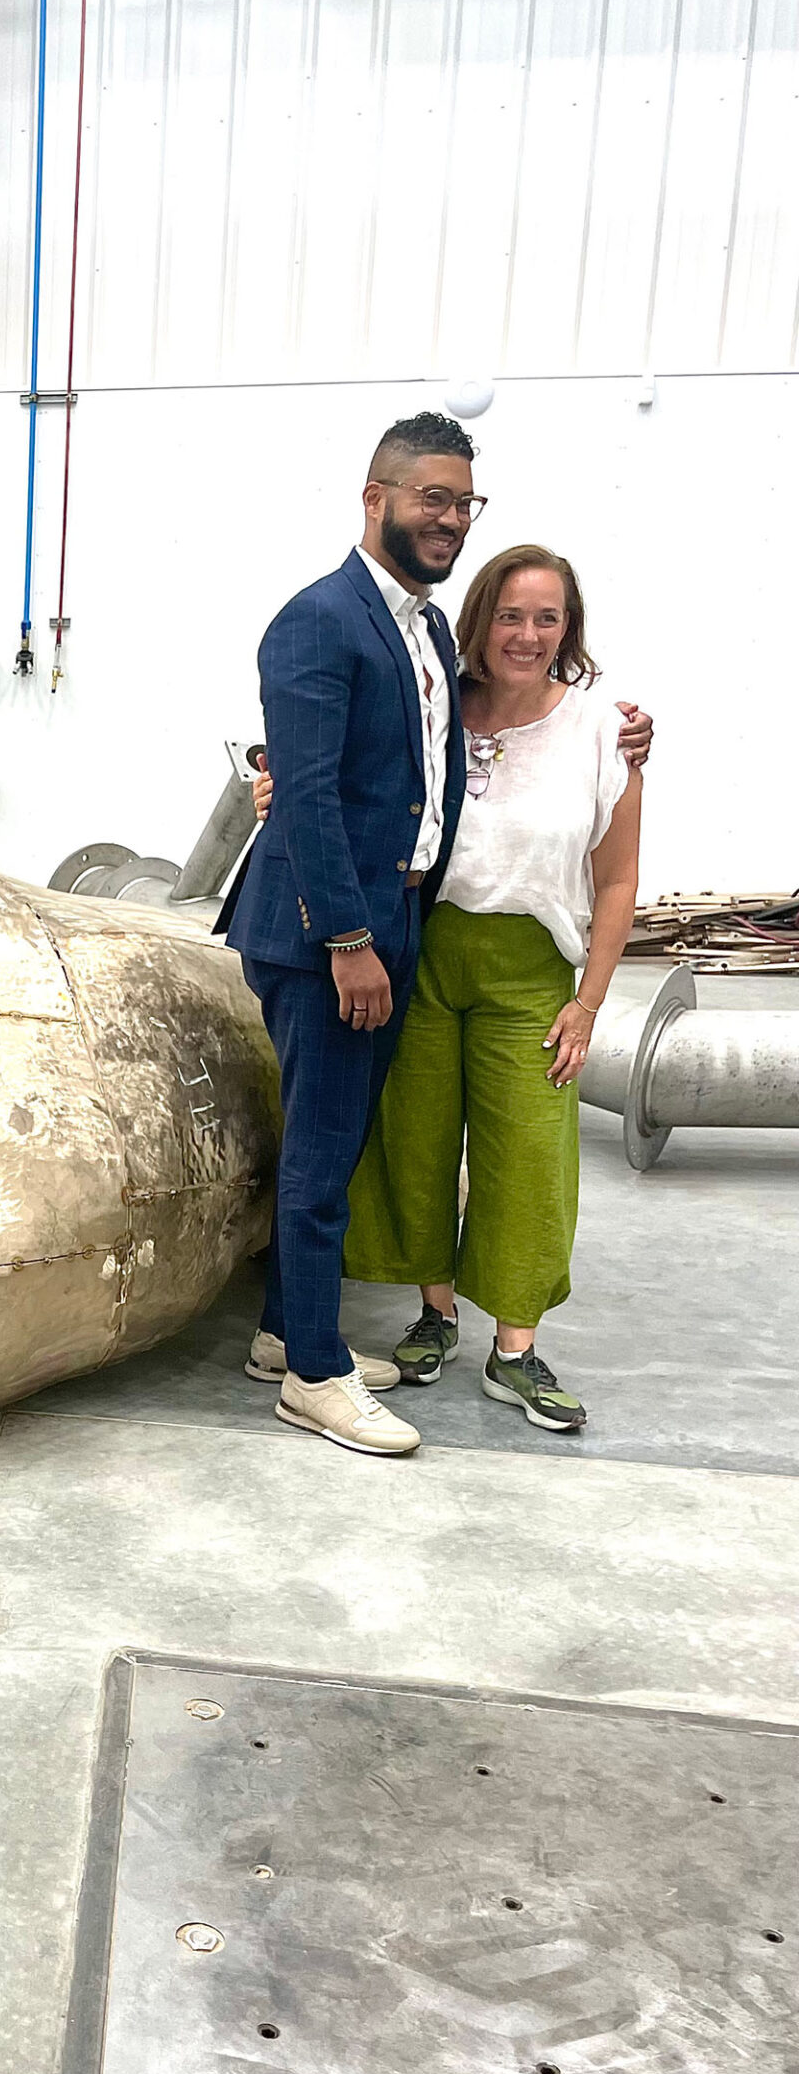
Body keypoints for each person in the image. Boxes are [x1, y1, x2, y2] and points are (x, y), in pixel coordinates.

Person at [221, 413, 652, 1458]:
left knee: (337, 1143)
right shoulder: (320, 619)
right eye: (431, 499)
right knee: (326, 1158)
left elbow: (410, 777)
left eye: (464, 503)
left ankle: (289, 1332)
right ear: (377, 499)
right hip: (335, 934)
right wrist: (350, 940)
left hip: (393, 921)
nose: (449, 518)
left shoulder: (417, 628)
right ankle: (315, 1380)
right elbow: (312, 794)